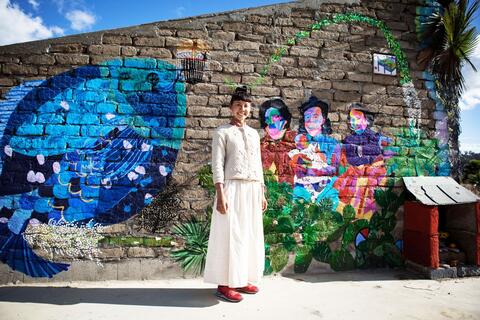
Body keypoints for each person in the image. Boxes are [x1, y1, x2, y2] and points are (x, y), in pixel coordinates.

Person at [203, 86, 268, 303]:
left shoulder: (253, 134)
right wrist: (220, 193)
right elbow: (218, 165)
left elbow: (258, 165)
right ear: (231, 108)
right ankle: (224, 283)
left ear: (250, 109)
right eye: (238, 105)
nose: (242, 109)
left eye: (246, 106)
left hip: (252, 189)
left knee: (248, 234)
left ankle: (241, 278)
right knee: (229, 235)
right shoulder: (222, 132)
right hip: (231, 188)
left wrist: (262, 192)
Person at [287, 95, 340, 209]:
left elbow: (335, 169)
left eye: (315, 116)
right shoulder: (296, 142)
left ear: (323, 119)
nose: (310, 120)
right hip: (302, 189)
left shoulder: (332, 144)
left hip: (326, 190)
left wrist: (312, 171)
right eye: (307, 116)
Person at [259, 98, 296, 186]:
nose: (271, 122)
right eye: (267, 118)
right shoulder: (259, 146)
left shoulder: (299, 143)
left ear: (285, 119)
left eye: (275, 117)